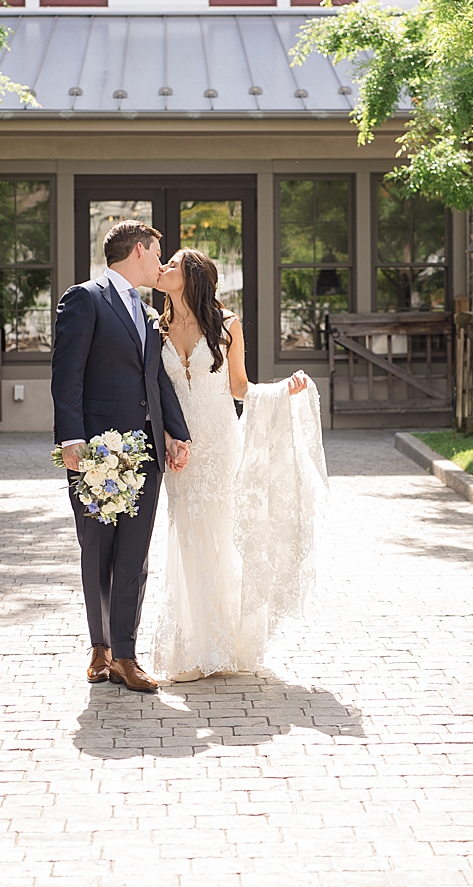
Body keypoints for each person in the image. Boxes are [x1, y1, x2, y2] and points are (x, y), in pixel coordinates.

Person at [151, 247, 328, 682]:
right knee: (188, 534)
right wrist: (169, 437)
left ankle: (228, 642)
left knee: (224, 535)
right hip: (181, 448)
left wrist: (282, 390)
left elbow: (239, 387)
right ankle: (192, 649)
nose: (162, 268)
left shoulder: (227, 325)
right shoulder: (156, 329)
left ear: (190, 275)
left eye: (171, 264)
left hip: (221, 444)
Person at [51, 221, 191, 694]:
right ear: (137, 251)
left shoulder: (150, 312)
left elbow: (156, 381)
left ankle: (127, 655)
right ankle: (100, 649)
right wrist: (71, 439)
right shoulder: (84, 299)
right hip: (96, 451)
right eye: (157, 255)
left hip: (145, 452)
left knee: (134, 555)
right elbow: (66, 377)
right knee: (97, 551)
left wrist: (175, 433)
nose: (160, 263)